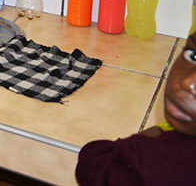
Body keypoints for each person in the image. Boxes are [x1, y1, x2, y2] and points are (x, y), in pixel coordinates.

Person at [76, 31, 196, 185]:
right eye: (193, 56)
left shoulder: (155, 161)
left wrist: (143, 140)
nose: (188, 82)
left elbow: (92, 163)